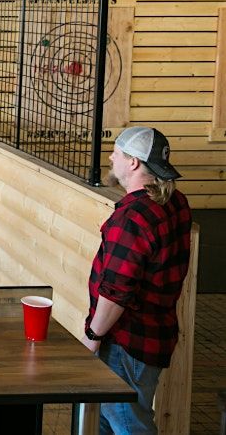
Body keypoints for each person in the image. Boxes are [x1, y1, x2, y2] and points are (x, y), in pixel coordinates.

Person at [81, 126, 192, 435]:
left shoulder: (132, 218)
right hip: (155, 335)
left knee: (130, 425)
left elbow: (117, 292)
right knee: (109, 420)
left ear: (133, 163)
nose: (111, 156)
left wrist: (92, 336)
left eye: (117, 152)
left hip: (125, 342)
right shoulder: (176, 202)